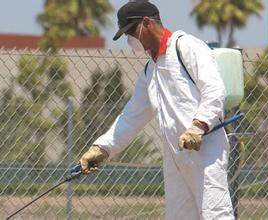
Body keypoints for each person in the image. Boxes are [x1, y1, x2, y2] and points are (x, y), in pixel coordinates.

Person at [79, 1, 234, 219]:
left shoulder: (186, 47)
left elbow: (215, 89)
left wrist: (199, 125)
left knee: (216, 214)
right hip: (175, 156)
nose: (130, 39)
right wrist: (102, 148)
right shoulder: (150, 70)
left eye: (132, 31)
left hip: (206, 150)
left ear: (147, 23)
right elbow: (131, 117)